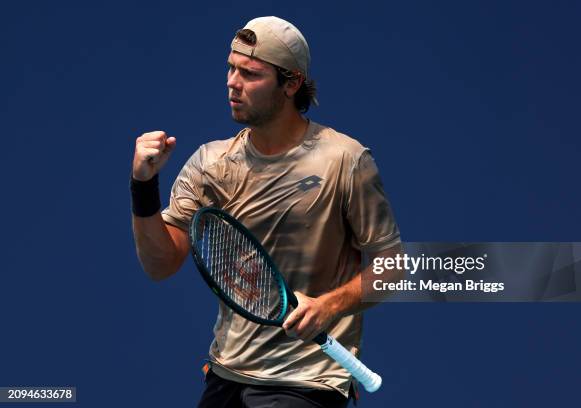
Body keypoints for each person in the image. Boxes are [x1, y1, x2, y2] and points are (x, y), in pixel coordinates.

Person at [131, 16, 401, 408]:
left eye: (250, 74)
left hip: (309, 382)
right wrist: (143, 186)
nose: (232, 82)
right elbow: (160, 264)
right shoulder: (212, 163)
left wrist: (328, 306)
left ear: (291, 83)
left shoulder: (345, 160)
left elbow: (391, 266)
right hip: (227, 374)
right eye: (230, 68)